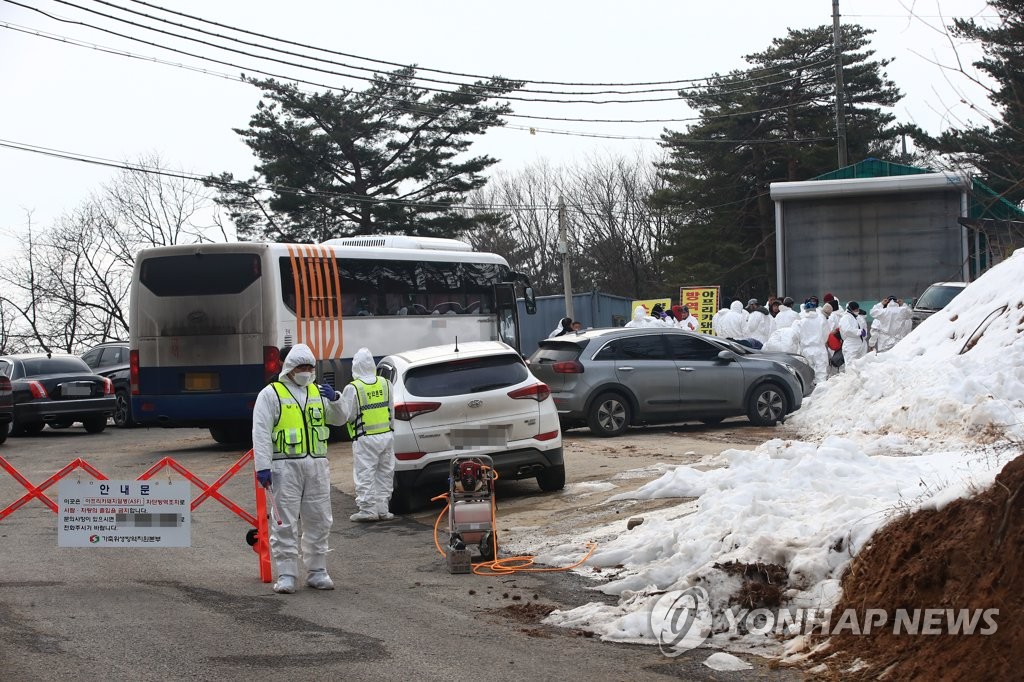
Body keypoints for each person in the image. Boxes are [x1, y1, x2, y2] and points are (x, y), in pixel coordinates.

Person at [252, 343, 346, 594]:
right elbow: (260, 432)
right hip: (284, 466)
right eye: (301, 367)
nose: (306, 371)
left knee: (319, 519)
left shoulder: (318, 393)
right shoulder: (271, 394)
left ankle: (317, 571)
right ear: (291, 368)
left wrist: (336, 399)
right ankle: (286, 574)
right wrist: (263, 466)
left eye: (310, 367)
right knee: (285, 522)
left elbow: (340, 419)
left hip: (316, 465)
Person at [333, 347, 396, 523]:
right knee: (385, 472)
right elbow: (391, 409)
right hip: (386, 435)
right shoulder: (385, 383)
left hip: (365, 436)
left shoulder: (353, 388)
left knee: (365, 473)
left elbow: (348, 414)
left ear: (356, 366)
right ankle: (383, 509)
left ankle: (368, 509)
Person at [790, 300, 829, 386]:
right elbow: (826, 334)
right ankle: (821, 393)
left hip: (806, 350)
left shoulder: (801, 322)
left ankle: (810, 395)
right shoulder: (821, 319)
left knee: (808, 374)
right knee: (821, 373)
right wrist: (821, 342)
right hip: (819, 349)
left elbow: (796, 336)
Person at [839, 301, 869, 366]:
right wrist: (859, 331)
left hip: (861, 343)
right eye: (855, 309)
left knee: (862, 365)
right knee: (851, 366)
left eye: (858, 309)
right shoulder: (845, 318)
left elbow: (863, 328)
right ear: (850, 309)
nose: (857, 311)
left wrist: (864, 334)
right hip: (851, 344)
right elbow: (847, 330)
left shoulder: (857, 317)